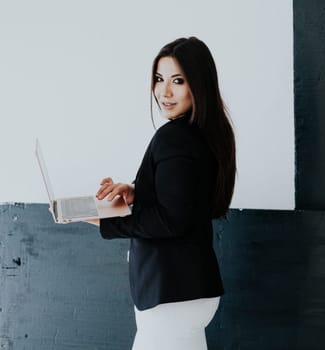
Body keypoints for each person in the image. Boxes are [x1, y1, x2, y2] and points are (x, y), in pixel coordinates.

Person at [84, 37, 236, 350]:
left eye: (177, 81)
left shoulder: (173, 138)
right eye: (159, 79)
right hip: (193, 292)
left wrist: (104, 221)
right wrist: (137, 192)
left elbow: (172, 219)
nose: (163, 92)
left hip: (169, 296)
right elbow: (187, 200)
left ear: (199, 84)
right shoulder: (207, 133)